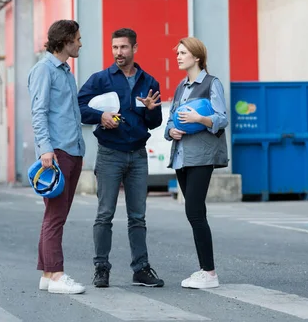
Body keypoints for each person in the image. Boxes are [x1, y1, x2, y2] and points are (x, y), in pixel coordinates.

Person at [78, 28, 165, 289]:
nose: (118, 53)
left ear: (135, 49)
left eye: (124, 48)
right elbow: (80, 107)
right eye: (115, 47)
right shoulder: (101, 79)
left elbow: (155, 122)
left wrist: (151, 111)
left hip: (138, 155)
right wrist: (100, 116)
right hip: (109, 154)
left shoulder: (149, 81)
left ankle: (141, 269)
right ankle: (101, 268)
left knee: (138, 216)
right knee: (104, 214)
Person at [164, 36, 228, 290]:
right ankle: (205, 270)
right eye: (177, 53)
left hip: (202, 157)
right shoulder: (181, 87)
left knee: (194, 211)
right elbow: (170, 120)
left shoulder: (212, 84)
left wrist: (200, 118)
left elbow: (221, 119)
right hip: (181, 156)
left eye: (183, 53)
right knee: (195, 214)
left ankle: (209, 273)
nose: (178, 56)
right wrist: (171, 132)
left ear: (197, 57)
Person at [28, 19, 86, 295]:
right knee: (55, 216)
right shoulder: (44, 70)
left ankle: (48, 273)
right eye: (77, 38)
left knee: (55, 215)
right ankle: (57, 275)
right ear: (65, 41)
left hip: (73, 149)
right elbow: (39, 112)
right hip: (57, 152)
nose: (80, 43)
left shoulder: (66, 72)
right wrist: (45, 149)